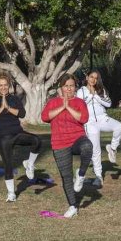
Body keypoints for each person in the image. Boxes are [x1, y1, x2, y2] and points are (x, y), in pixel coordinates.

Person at [0, 71, 41, 202]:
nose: (3, 87)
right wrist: (1, 108)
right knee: (8, 164)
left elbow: (22, 114)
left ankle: (29, 164)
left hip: (17, 133)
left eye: (5, 85)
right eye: (0, 85)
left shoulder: (14, 99)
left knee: (37, 141)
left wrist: (8, 108)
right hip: (3, 137)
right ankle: (11, 193)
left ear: (9, 85)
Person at [42, 73, 91, 218]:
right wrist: (61, 106)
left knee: (87, 147)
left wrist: (68, 107)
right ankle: (73, 206)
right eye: (66, 86)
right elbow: (45, 117)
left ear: (75, 87)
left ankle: (81, 174)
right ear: (61, 87)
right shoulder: (53, 102)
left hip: (77, 139)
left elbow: (83, 118)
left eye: (71, 86)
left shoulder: (80, 102)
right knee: (66, 176)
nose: (69, 89)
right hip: (59, 143)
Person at [76, 69, 121, 186]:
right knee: (95, 150)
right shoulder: (81, 91)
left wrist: (96, 97)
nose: (93, 80)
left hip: (103, 118)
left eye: (96, 78)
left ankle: (112, 148)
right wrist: (89, 98)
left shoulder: (100, 90)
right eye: (91, 77)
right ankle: (98, 176)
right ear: (87, 78)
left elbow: (108, 103)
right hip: (90, 122)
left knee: (119, 127)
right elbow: (78, 105)